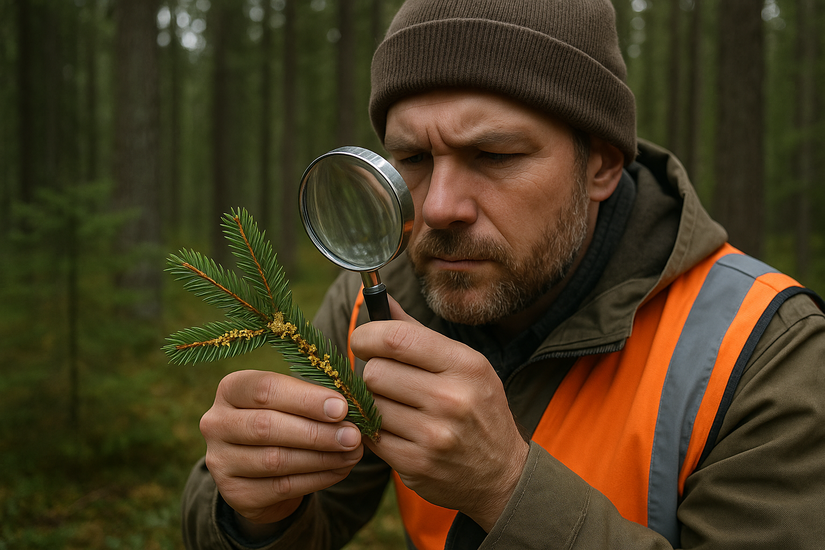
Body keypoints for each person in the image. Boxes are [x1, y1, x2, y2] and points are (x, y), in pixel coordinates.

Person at [181, 1, 825, 548]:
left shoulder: (765, 352)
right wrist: (253, 510)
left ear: (600, 165)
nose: (437, 208)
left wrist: (507, 487)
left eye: (493, 155)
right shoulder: (378, 297)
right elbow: (317, 522)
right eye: (411, 157)